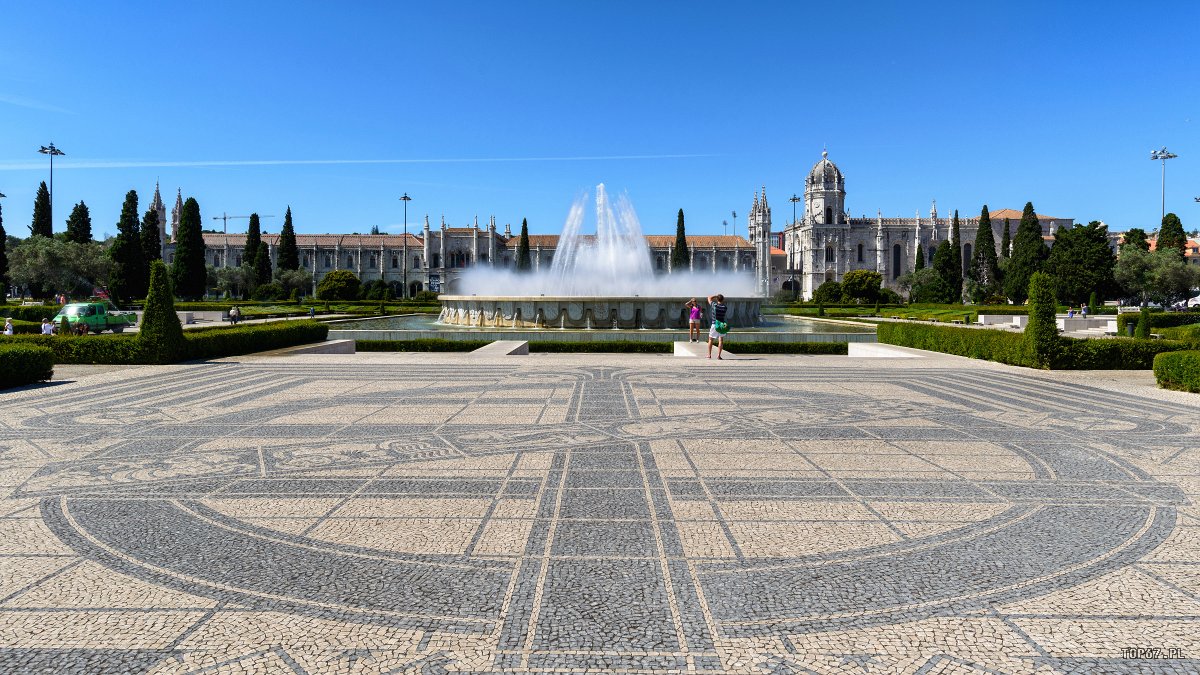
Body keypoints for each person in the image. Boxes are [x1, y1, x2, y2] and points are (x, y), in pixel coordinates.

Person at [706, 293, 728, 359]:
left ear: (717, 299)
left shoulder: (714, 305)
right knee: (721, 340)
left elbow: (709, 298)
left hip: (714, 324)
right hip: (721, 325)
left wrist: (715, 296)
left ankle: (709, 355)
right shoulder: (725, 307)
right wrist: (718, 297)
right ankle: (719, 355)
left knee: (710, 339)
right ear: (723, 300)